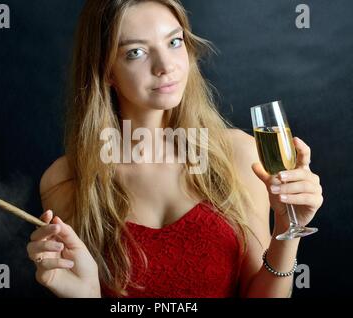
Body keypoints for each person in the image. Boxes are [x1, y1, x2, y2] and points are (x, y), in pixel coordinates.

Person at [26, 0, 323, 298]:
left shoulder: (241, 155)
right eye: (136, 52)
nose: (165, 66)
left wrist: (287, 229)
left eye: (174, 41)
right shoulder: (68, 180)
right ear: (106, 71)